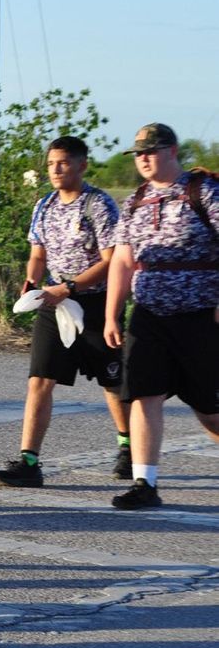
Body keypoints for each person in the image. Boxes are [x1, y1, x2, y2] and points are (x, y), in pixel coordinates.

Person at [0, 136, 131, 488]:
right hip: (53, 304)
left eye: (64, 162)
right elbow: (38, 253)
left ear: (82, 165)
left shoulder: (98, 205)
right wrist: (31, 281)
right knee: (40, 379)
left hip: (96, 304)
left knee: (112, 381)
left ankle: (128, 446)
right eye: (52, 163)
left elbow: (111, 260)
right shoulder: (45, 206)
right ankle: (29, 460)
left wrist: (70, 287)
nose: (56, 169)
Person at [103, 123, 219, 509]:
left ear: (172, 151)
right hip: (149, 314)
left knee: (209, 408)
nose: (143, 159)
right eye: (138, 153)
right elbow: (121, 259)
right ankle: (145, 484)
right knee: (143, 395)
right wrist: (112, 315)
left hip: (200, 315)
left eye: (151, 151)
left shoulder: (204, 193)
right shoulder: (135, 200)